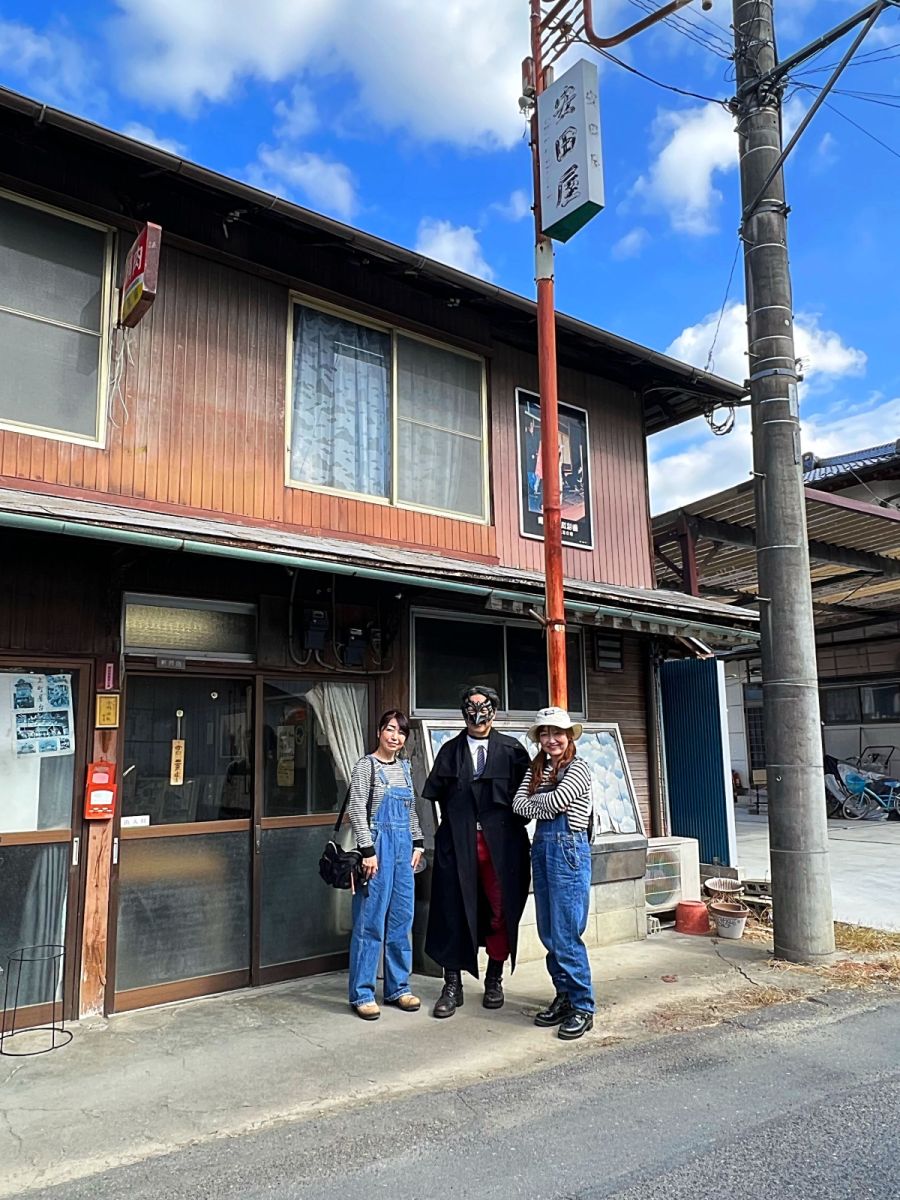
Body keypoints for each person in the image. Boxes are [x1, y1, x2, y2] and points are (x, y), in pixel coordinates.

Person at [423, 685, 531, 1017]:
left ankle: (494, 978)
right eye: (470, 707)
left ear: (494, 712)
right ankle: (452, 984)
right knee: (452, 910)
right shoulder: (449, 751)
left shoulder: (513, 750)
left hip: (503, 849)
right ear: (462, 712)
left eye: (484, 708)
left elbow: (526, 800)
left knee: (500, 911)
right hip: (458, 847)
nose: (477, 714)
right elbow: (437, 799)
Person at [513, 706, 595, 1041]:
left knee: (566, 933)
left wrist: (539, 799)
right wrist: (541, 799)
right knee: (548, 932)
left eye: (556, 733)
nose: (551, 740)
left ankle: (583, 1006)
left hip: (569, 849)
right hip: (543, 848)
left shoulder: (580, 768)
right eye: (544, 734)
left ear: (568, 735)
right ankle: (563, 996)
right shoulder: (538, 769)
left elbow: (560, 801)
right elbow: (519, 805)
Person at [347, 710, 425, 1020]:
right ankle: (362, 993)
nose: (395, 736)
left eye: (401, 732)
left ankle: (398, 988)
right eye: (390, 729)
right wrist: (367, 850)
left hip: (404, 850)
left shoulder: (405, 768)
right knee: (370, 921)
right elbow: (356, 811)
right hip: (376, 849)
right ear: (380, 731)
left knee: (402, 920)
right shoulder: (366, 767)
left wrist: (418, 843)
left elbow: (411, 812)